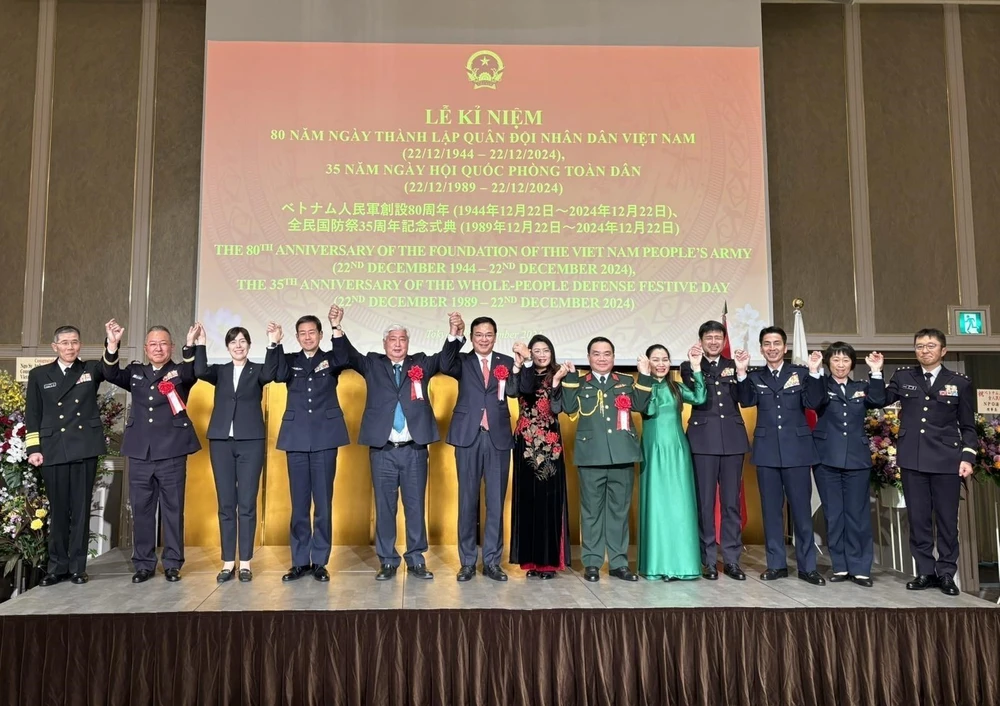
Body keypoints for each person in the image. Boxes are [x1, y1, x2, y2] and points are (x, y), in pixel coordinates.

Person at [331, 307, 463, 580]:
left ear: (408, 343)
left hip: (414, 449)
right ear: (385, 343)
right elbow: (346, 356)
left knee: (415, 507)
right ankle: (387, 560)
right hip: (383, 450)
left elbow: (445, 360)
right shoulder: (372, 364)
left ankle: (416, 559)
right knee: (385, 507)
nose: (398, 344)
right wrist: (336, 327)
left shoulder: (421, 363)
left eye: (402, 339)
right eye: (393, 339)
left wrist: (452, 334)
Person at [102, 319, 201, 583]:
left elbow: (193, 372)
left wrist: (190, 346)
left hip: (171, 451)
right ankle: (144, 564)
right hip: (140, 453)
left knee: (173, 509)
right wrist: (113, 344)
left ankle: (172, 563)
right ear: (146, 348)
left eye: (164, 344)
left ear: (171, 347)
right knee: (142, 510)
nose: (158, 348)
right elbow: (110, 373)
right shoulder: (135, 373)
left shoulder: (180, 372)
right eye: (153, 344)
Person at [885, 328, 976, 597]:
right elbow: (879, 399)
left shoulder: (959, 382)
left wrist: (968, 458)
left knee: (948, 520)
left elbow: (968, 426)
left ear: (943, 350)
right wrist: (876, 372)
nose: (925, 350)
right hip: (913, 459)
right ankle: (925, 571)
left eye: (931, 346)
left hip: (947, 460)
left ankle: (947, 573)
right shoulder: (903, 377)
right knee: (919, 519)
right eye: (919, 346)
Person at [735, 327, 824, 585]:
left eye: (776, 343)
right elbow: (746, 402)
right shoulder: (754, 376)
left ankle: (808, 566)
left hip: (797, 451)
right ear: (761, 349)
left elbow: (814, 401)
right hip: (767, 452)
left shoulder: (802, 373)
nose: (772, 348)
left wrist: (817, 372)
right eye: (767, 344)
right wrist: (741, 372)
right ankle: (777, 564)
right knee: (771, 511)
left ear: (785, 348)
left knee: (801, 512)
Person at [560, 337, 653, 582]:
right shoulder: (579, 382)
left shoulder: (624, 381)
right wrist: (569, 379)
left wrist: (644, 376)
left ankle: (618, 563)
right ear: (588, 357)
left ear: (614, 357)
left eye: (607, 354)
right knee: (590, 512)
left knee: (619, 512)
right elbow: (568, 408)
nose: (602, 358)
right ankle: (591, 562)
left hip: (622, 454)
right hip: (591, 456)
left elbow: (641, 405)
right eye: (597, 354)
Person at [193, 323, 280, 583]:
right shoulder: (220, 371)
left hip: (250, 441)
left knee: (247, 504)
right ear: (228, 347)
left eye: (243, 341)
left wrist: (272, 344)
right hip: (221, 441)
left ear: (249, 345)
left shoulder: (257, 371)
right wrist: (200, 343)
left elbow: (273, 372)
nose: (238, 345)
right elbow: (199, 370)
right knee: (226, 504)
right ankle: (227, 561)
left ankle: (245, 563)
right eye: (233, 342)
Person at [25, 325, 107, 586]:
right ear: (55, 347)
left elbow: (110, 364)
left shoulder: (90, 369)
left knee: (81, 510)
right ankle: (56, 567)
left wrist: (112, 343)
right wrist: (33, 449)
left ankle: (77, 567)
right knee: (58, 510)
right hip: (53, 449)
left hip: (84, 448)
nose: (70, 347)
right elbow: (33, 414)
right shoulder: (40, 374)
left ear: (80, 345)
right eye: (65, 342)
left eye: (74, 342)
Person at [271, 307, 348, 583]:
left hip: (326, 437)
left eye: (312, 332)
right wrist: (275, 344)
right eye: (302, 334)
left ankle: (320, 562)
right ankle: (300, 561)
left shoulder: (331, 359)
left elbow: (344, 357)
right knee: (299, 503)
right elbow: (275, 374)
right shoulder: (289, 361)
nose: (307, 337)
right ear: (297, 337)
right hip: (296, 438)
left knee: (323, 503)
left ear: (320, 334)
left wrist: (337, 327)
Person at [442, 316, 516, 582]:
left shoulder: (507, 363)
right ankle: (468, 562)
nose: (484, 339)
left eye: (488, 334)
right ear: (471, 337)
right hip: (467, 436)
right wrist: (453, 334)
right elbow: (443, 363)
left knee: (495, 501)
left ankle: (493, 562)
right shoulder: (462, 361)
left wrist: (523, 364)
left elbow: (519, 389)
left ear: (495, 336)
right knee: (467, 500)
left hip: (497, 437)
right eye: (478, 335)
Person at [804, 344, 885, 587]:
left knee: (857, 515)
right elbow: (813, 402)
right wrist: (815, 371)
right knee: (834, 515)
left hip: (857, 459)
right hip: (826, 458)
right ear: (828, 363)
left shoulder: (861, 387)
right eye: (836, 360)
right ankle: (839, 565)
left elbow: (878, 400)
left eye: (845, 360)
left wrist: (877, 372)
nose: (840, 365)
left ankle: (860, 567)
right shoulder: (820, 385)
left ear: (852, 364)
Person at [680, 320, 750, 581]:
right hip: (703, 441)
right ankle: (708, 560)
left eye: (718, 338)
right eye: (708, 337)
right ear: (701, 340)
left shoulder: (734, 366)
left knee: (731, 504)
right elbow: (695, 392)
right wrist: (698, 367)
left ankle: (731, 560)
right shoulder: (689, 366)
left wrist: (742, 373)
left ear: (724, 341)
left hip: (732, 440)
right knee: (705, 504)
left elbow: (746, 398)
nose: (713, 342)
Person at [638, 344, 707, 581]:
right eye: (655, 359)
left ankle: (683, 565)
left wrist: (696, 367)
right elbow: (649, 408)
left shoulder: (676, 387)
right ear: (647, 362)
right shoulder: (642, 386)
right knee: (657, 506)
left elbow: (699, 397)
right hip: (653, 451)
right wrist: (644, 378)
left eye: (665, 359)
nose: (661, 363)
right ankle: (658, 565)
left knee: (680, 506)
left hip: (678, 451)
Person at [508, 336, 571, 579]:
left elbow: (556, 409)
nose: (542, 354)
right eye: (536, 351)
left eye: (546, 350)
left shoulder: (559, 373)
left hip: (550, 444)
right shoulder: (525, 372)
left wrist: (555, 382)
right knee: (528, 501)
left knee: (548, 502)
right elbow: (515, 391)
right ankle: (531, 562)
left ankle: (549, 563)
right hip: (525, 442)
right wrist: (519, 364)